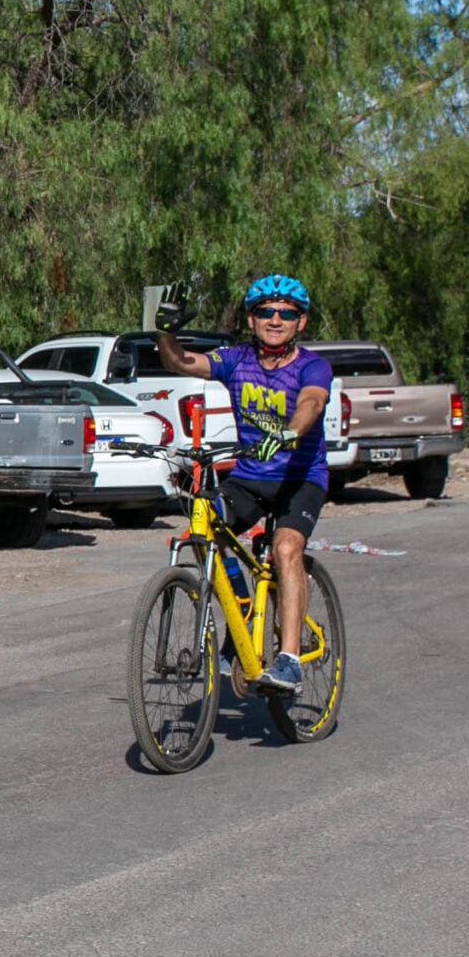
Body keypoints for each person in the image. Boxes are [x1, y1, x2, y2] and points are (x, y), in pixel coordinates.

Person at [152, 274, 329, 693]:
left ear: (300, 323)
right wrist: (164, 331)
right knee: (201, 527)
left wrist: (291, 432)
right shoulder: (236, 360)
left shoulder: (312, 365)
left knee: (286, 549)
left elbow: (312, 402)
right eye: (265, 311)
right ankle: (243, 605)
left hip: (300, 479)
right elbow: (179, 362)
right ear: (251, 319)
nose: (275, 319)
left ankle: (287, 661)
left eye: (286, 313)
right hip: (250, 477)